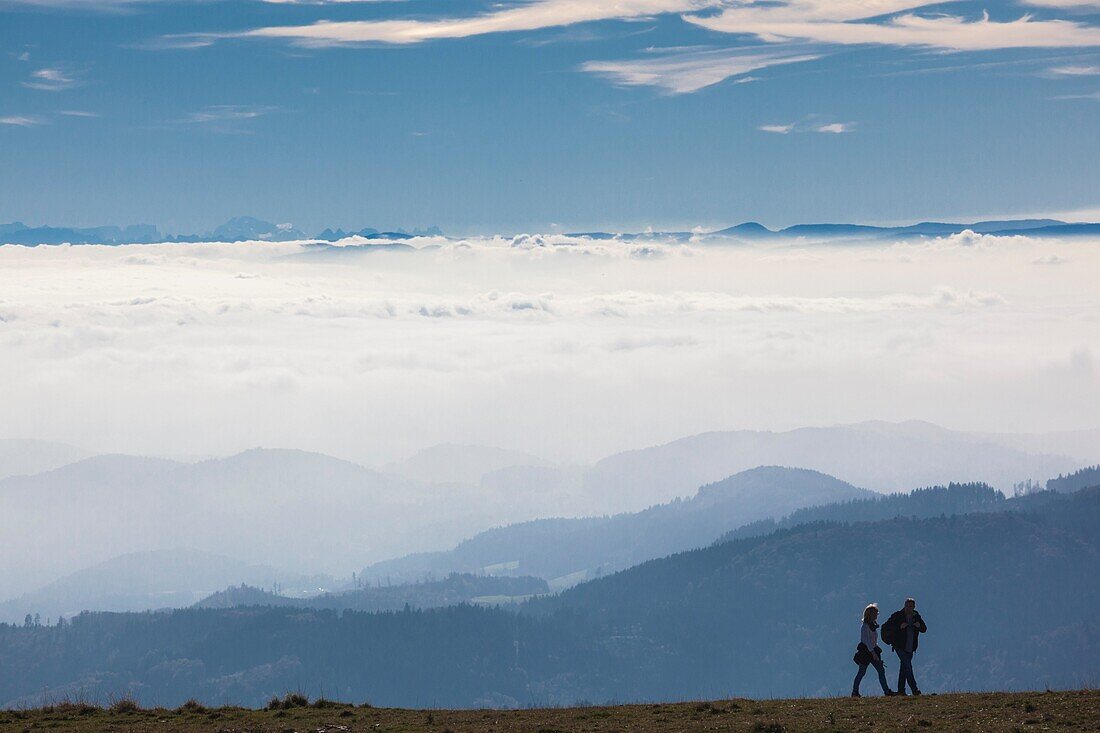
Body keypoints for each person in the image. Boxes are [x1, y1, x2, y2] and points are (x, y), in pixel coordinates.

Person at [883, 597, 928, 695]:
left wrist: (919, 626)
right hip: (899, 646)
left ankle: (901, 690)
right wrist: (899, 627)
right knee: (908, 667)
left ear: (914, 607)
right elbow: (887, 626)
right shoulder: (898, 616)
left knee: (904, 668)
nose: (908, 608)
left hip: (910, 647)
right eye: (907, 606)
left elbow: (924, 629)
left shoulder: (916, 616)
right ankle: (914, 689)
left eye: (910, 606)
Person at [851, 603, 894, 697]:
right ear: (870, 614)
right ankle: (855, 692)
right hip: (866, 652)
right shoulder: (865, 626)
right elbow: (866, 641)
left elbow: (872, 641)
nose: (877, 615)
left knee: (880, 671)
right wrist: (873, 653)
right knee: (862, 672)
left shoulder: (872, 625)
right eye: (875, 613)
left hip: (873, 650)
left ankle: (887, 691)